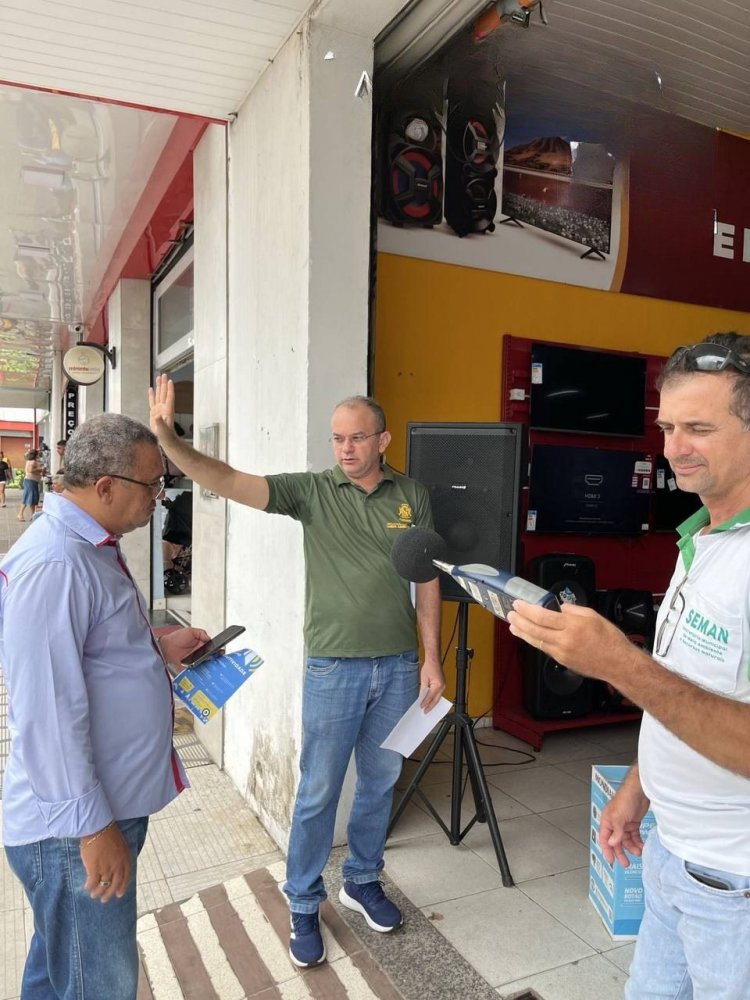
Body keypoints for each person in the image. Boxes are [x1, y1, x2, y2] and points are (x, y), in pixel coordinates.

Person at [149, 375, 444, 968]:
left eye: (357, 438)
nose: (345, 449)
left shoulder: (412, 494)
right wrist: (169, 440)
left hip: (397, 666)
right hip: (334, 668)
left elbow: (426, 576)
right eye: (337, 439)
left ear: (382, 439)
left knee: (380, 782)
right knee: (317, 792)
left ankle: (361, 882)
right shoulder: (312, 491)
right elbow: (228, 481)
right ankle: (304, 905)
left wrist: (430, 656)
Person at [508, 332, 750, 1000]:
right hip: (672, 853)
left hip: (734, 888)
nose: (672, 449)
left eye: (699, 427)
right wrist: (640, 789)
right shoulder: (701, 532)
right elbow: (690, 692)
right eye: (669, 426)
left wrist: (618, 662)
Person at [1, 413, 211, 1000]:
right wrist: (92, 828)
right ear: (107, 487)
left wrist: (159, 647)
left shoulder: (90, 547)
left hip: (97, 811)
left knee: (58, 966)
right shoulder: (56, 564)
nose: (159, 500)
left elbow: (93, 653)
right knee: (99, 983)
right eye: (153, 485)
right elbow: (46, 714)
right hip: (74, 830)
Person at [18, 448, 43, 521]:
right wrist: (40, 469)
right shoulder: (32, 462)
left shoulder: (30, 461)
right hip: (30, 481)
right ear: (35, 455)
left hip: (32, 481)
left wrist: (39, 471)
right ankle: (20, 514)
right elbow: (30, 470)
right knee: (28, 497)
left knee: (33, 498)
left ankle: (33, 515)